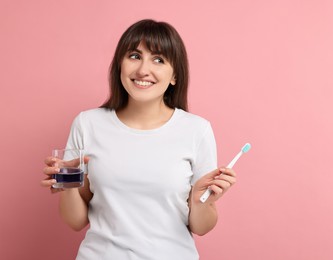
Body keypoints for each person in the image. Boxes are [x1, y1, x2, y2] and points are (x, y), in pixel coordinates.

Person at [41, 19, 236, 260]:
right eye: (134, 56)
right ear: (119, 65)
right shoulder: (87, 124)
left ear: (175, 75)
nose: (143, 70)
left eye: (158, 60)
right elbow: (75, 222)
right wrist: (67, 186)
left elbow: (201, 227)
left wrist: (200, 201)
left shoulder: (197, 130)